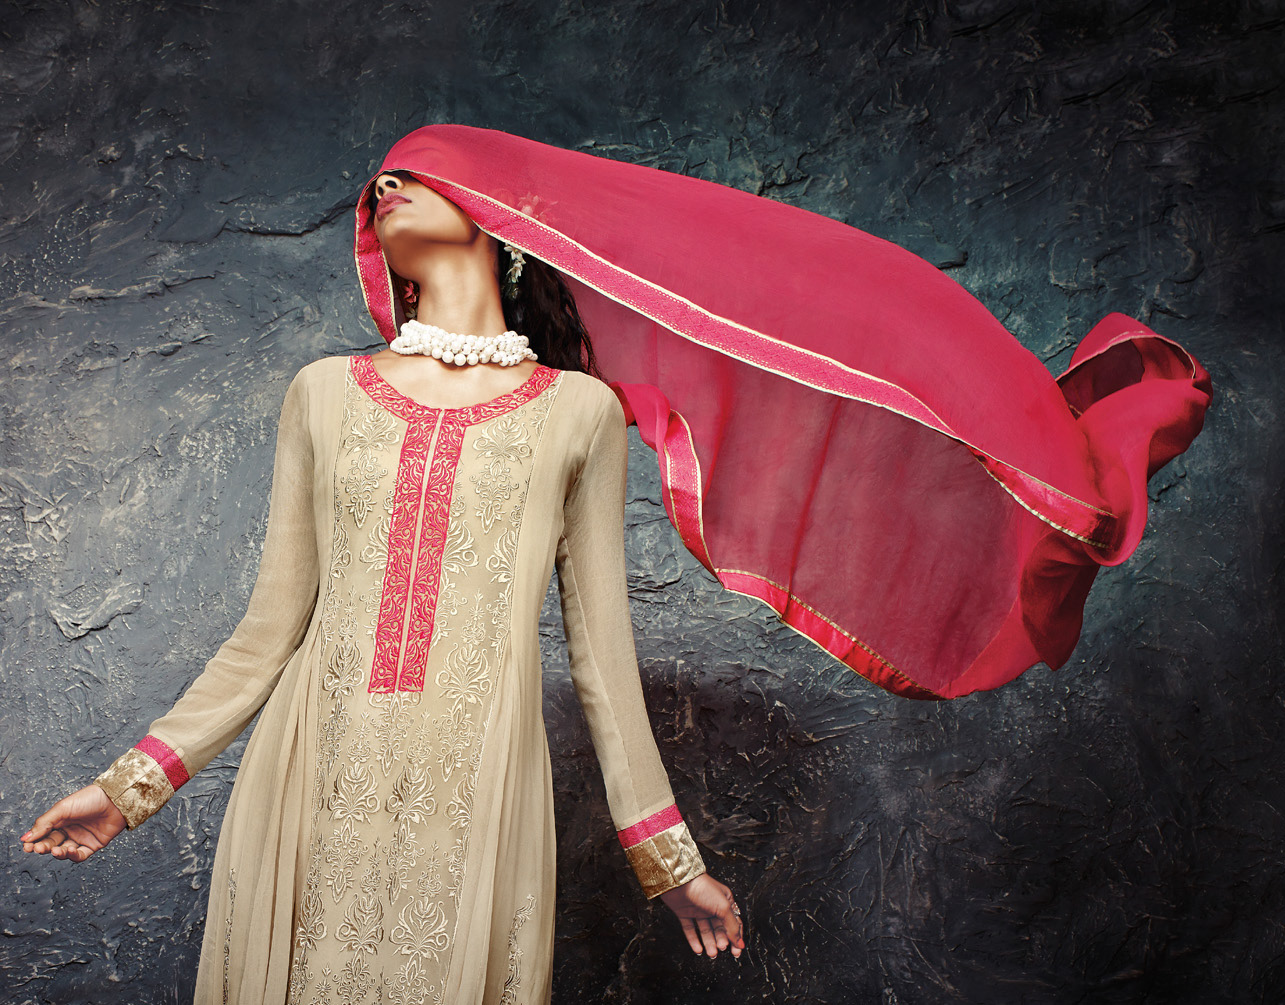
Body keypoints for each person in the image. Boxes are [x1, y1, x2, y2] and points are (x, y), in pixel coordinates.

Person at [23, 164, 744, 1003]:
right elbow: (265, 634)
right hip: (311, 777)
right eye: (383, 179)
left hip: (477, 791)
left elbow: (605, 664)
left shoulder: (581, 412)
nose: (387, 180)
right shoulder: (324, 392)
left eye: (421, 169)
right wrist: (127, 791)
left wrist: (670, 864)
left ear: (495, 214)